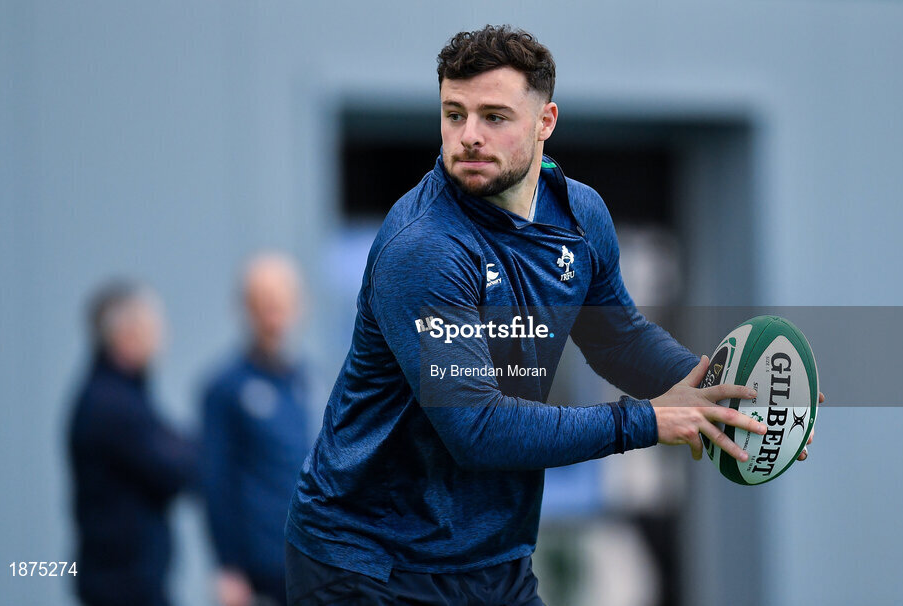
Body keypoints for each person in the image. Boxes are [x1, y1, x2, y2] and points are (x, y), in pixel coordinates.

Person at [284, 25, 818, 605]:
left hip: (493, 558)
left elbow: (617, 339)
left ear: (546, 121)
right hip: (370, 563)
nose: (468, 136)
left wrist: (722, 397)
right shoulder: (426, 248)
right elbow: (477, 431)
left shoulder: (580, 215)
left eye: (494, 116)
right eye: (454, 114)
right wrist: (647, 421)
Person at [68, 281, 197, 606]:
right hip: (121, 585)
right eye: (152, 327)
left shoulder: (125, 395)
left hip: (131, 579)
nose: (161, 336)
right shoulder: (111, 404)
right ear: (126, 335)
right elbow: (174, 467)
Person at [200, 253, 312, 606]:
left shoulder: (309, 380)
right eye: (263, 302)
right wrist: (228, 566)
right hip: (259, 567)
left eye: (280, 301)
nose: (272, 314)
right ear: (246, 308)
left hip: (310, 558)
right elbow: (215, 481)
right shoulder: (226, 388)